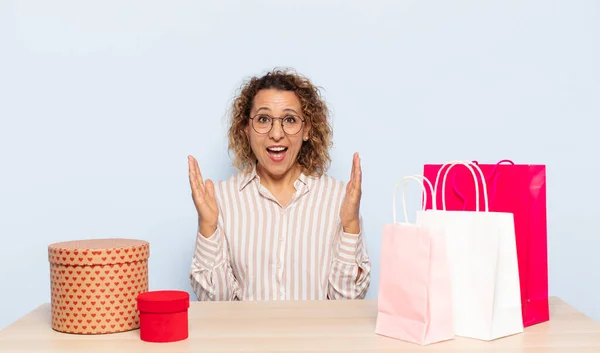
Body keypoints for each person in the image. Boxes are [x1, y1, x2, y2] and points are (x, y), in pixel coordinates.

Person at [188, 68, 370, 301]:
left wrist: (351, 226)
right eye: (263, 119)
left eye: (290, 120)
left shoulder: (338, 199)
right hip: (246, 338)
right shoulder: (222, 199)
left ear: (306, 130)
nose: (276, 134)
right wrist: (208, 227)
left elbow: (346, 302)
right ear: (246, 128)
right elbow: (217, 303)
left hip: (317, 337)